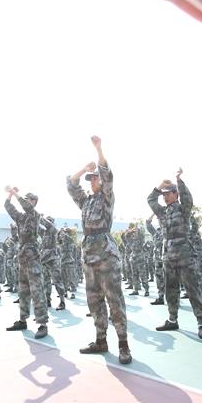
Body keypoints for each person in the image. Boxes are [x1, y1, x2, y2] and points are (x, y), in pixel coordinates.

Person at [66, 136, 132, 364]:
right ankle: (101, 340)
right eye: (91, 179)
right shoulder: (86, 202)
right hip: (89, 255)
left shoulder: (106, 197)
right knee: (94, 300)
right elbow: (71, 185)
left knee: (114, 300)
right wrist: (83, 169)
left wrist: (99, 149)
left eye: (94, 178)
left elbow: (108, 174)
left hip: (105, 254)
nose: (92, 181)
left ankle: (123, 344)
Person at [148, 169, 202, 339]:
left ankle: (201, 324)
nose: (164, 197)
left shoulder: (183, 209)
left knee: (193, 289)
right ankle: (172, 319)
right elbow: (150, 199)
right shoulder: (162, 212)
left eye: (167, 194)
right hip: (168, 256)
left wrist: (178, 180)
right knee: (170, 290)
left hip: (185, 256)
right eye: (163, 195)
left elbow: (188, 198)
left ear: (175, 194)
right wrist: (160, 186)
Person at [4, 187, 49, 339]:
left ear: (34, 202)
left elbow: (26, 206)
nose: (27, 201)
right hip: (22, 256)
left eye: (30, 199)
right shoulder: (20, 217)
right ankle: (22, 320)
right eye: (26, 198)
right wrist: (10, 195)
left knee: (37, 291)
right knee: (23, 290)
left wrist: (15, 193)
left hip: (33, 257)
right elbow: (8, 207)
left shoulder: (34, 215)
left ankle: (42, 324)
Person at [146, 214, 165, 305]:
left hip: (168, 259)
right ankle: (161, 297)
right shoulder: (156, 232)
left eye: (160, 218)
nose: (159, 220)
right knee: (159, 279)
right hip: (158, 260)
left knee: (171, 279)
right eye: (158, 219)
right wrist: (153, 214)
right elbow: (148, 224)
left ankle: (173, 300)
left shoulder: (169, 229)